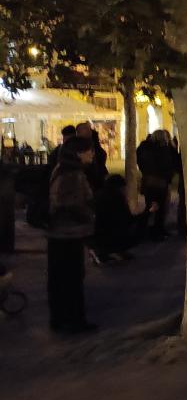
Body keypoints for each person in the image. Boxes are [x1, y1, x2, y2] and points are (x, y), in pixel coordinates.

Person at [46, 136, 97, 333]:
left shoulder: (63, 169)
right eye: (88, 150)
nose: (92, 154)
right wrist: (89, 213)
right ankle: (73, 320)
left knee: (60, 278)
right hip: (67, 233)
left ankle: (60, 318)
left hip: (61, 233)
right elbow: (66, 204)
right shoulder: (71, 174)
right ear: (78, 153)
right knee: (71, 278)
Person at [93, 174, 155, 264]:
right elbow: (128, 220)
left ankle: (109, 250)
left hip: (99, 235)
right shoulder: (117, 199)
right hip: (112, 235)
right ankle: (115, 249)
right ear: (119, 188)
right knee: (139, 227)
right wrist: (148, 212)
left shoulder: (100, 195)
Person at [136, 129, 179, 240]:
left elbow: (141, 162)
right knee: (158, 208)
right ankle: (155, 231)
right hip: (159, 183)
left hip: (149, 182)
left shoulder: (144, 148)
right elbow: (170, 164)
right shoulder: (163, 150)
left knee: (151, 207)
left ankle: (145, 229)